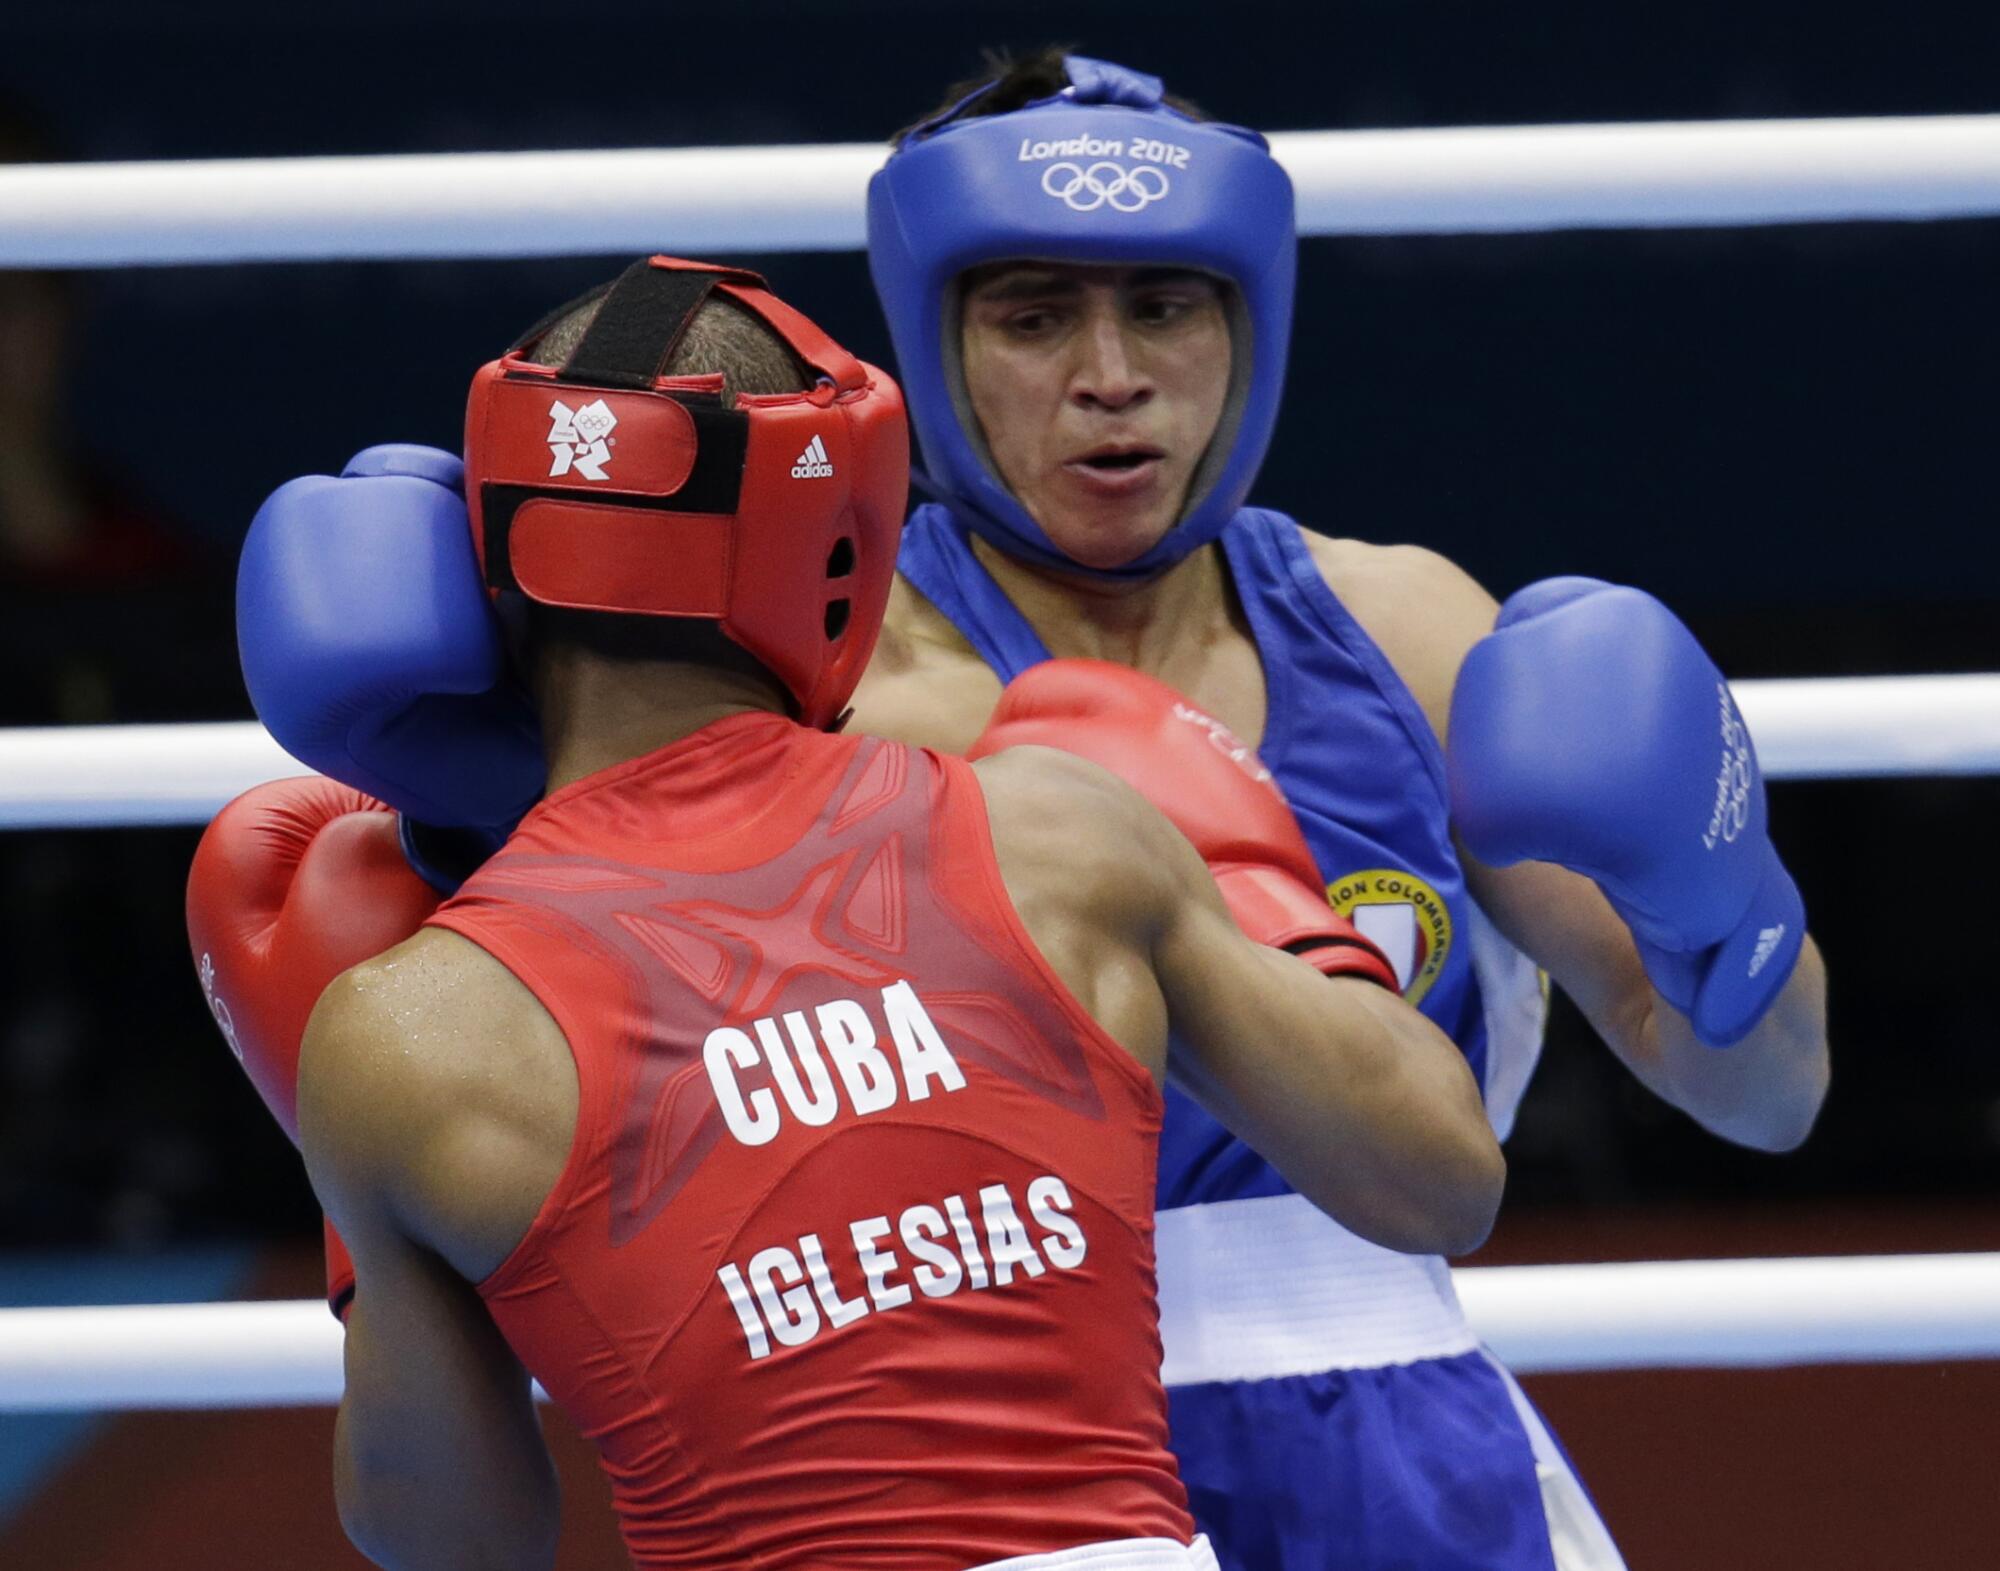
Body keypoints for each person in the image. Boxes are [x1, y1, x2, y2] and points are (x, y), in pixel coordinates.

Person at [210, 50, 1832, 1571]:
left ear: (1250, 325)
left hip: (1400, 1436)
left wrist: (1725, 906)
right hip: (961, 1459)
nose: (1112, 381)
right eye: (1037, 318)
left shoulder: (1407, 631)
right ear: (933, 346)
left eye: (1168, 308)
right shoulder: (813, 720)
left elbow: (1764, 1102)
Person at [191, 256, 1505, 1570]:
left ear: (488, 566)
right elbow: (1443, 1181)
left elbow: (455, 1543)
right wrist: (1256, 881)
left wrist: (363, 1198)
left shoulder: (411, 1033)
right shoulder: (1055, 832)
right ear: (834, 540)